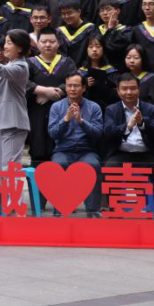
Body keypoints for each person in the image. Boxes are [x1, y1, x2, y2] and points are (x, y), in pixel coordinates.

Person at [102, 73, 154, 217]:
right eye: (124, 89)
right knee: (109, 168)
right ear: (117, 91)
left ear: (139, 89)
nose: (129, 92)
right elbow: (108, 133)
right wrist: (128, 126)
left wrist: (143, 123)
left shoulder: (151, 109)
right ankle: (116, 213)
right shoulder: (111, 110)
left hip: (148, 154)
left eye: (133, 88)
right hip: (122, 154)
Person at [47, 72, 103, 216]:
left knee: (93, 165)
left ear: (84, 88)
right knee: (57, 166)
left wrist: (81, 121)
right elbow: (52, 134)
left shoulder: (94, 107)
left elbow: (98, 134)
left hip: (86, 151)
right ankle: (60, 210)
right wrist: (66, 119)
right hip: (63, 150)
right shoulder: (56, 107)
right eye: (69, 86)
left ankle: (93, 211)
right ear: (65, 87)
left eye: (76, 86)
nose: (72, 89)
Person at [0, 26, 32, 170]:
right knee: (4, 169)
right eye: (6, 42)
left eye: (9, 43)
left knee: (9, 169)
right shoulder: (11, 64)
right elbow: (2, 99)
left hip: (14, 123)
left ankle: (13, 188)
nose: (5, 46)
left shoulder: (21, 67)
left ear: (20, 48)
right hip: (5, 122)